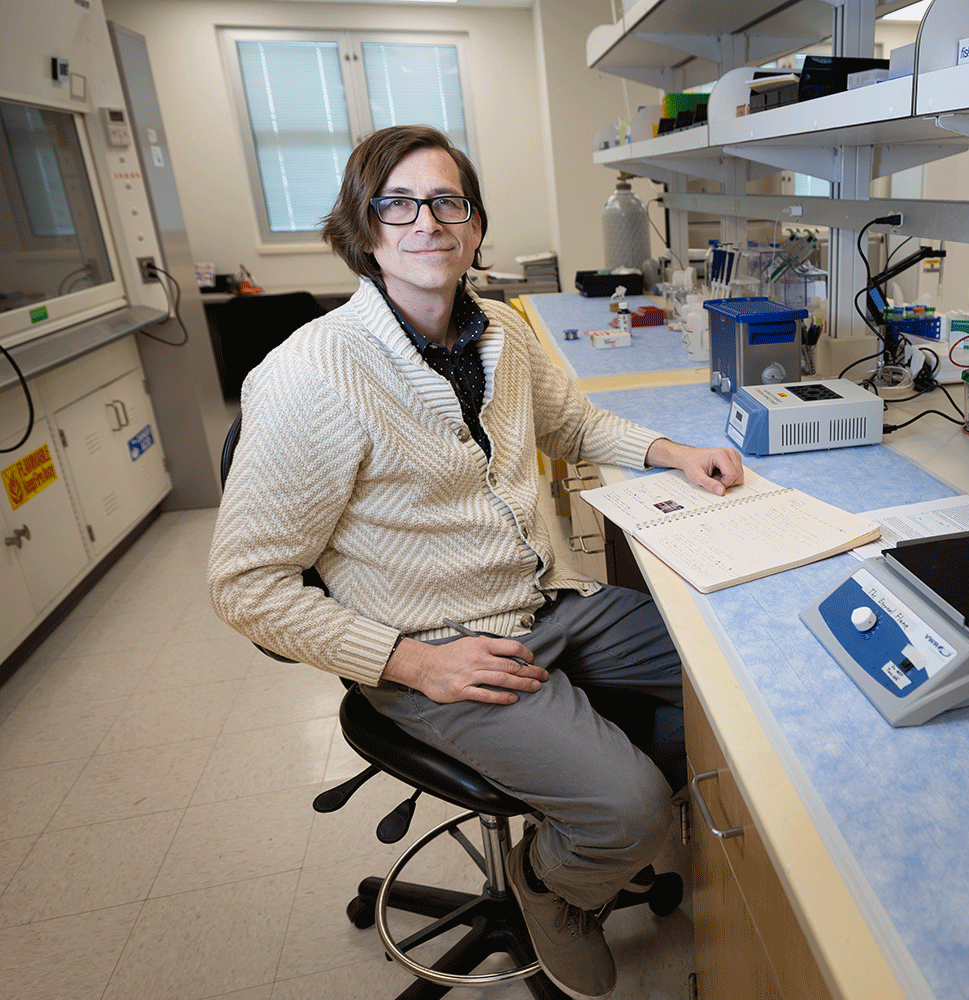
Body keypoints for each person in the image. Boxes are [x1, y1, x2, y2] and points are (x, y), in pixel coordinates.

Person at [207, 124, 742, 1000]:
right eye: (399, 204)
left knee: (725, 667)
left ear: (476, 224)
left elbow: (573, 425)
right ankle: (553, 879)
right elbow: (244, 586)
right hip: (433, 648)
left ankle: (592, 818)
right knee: (634, 809)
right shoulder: (310, 374)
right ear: (364, 227)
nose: (429, 223)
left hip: (548, 601)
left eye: (449, 202)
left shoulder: (502, 331)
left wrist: (670, 450)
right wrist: (413, 662)